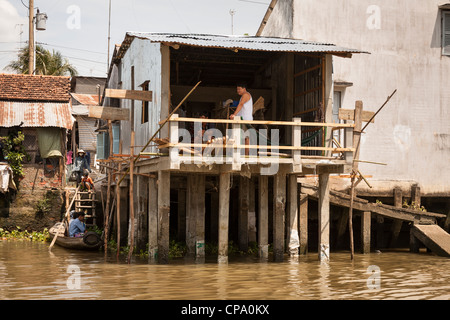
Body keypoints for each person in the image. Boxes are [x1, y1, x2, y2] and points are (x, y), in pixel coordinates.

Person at [230, 83, 253, 155]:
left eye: (239, 89)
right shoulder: (243, 96)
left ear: (244, 89)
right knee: (242, 137)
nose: (238, 91)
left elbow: (241, 104)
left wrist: (234, 114)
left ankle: (245, 155)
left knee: (245, 137)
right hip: (242, 119)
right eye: (237, 89)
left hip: (245, 120)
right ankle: (242, 154)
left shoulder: (246, 95)